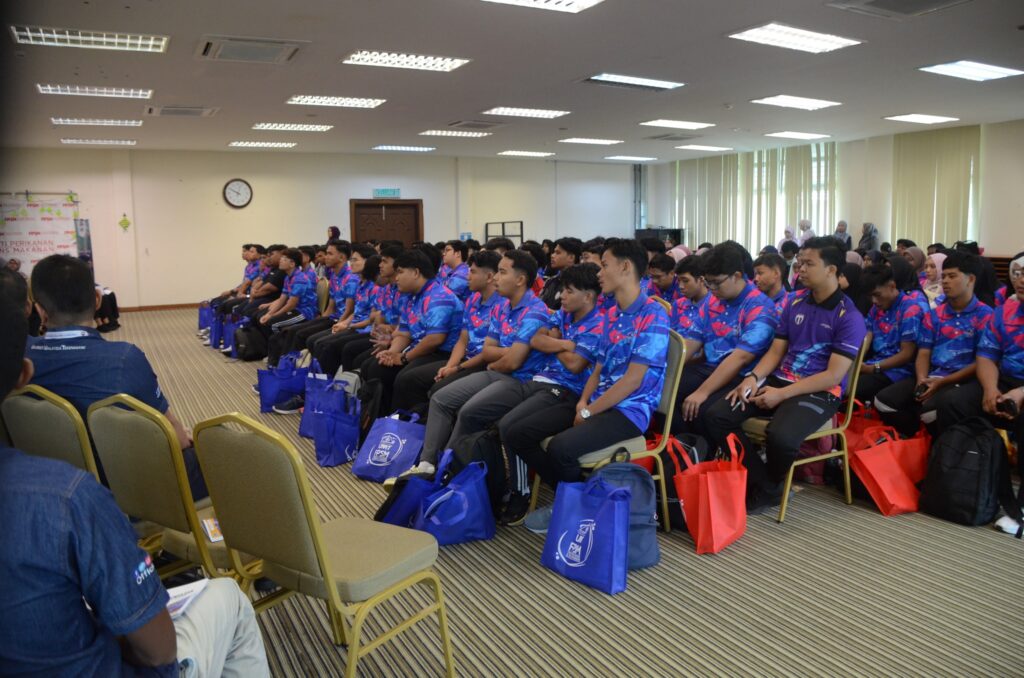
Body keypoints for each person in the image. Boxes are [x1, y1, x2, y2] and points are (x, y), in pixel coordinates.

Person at [0, 294, 271, 677]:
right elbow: (158, 650)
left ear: (41, 310)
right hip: (126, 500)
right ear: (22, 374)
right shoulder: (67, 498)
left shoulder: (59, 488)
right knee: (229, 595)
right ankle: (262, 556)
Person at [703, 237, 866, 514]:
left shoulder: (849, 316)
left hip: (819, 391)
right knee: (715, 415)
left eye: (809, 263)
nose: (800, 269)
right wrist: (753, 377)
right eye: (800, 262)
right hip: (780, 380)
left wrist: (781, 394)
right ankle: (767, 484)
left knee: (781, 437)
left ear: (831, 269)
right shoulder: (794, 301)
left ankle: (767, 488)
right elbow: (777, 351)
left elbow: (832, 375)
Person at [27, 255, 207, 499]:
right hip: (126, 487)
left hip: (51, 480)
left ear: (39, 310)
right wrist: (181, 435)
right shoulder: (124, 358)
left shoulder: (21, 358)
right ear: (97, 299)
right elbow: (175, 437)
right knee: (215, 453)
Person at [524, 239, 670, 532]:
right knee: (526, 431)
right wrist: (583, 401)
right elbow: (599, 368)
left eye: (604, 265)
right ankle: (581, 500)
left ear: (625, 267)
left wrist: (589, 411)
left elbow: (633, 380)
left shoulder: (653, 315)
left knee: (562, 448)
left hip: (630, 411)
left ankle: (573, 510)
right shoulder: (613, 314)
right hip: (599, 402)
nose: (599, 273)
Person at [402, 250, 551, 478]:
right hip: (496, 372)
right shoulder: (502, 306)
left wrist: (499, 360)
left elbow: (513, 363)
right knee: (440, 399)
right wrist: (508, 354)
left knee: (468, 411)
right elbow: (489, 350)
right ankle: (427, 463)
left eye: (502, 272)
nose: (497, 278)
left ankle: (446, 468)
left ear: (520, 279)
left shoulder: (535, 311)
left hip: (521, 381)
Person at [497, 263, 605, 525]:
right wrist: (567, 343)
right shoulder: (565, 314)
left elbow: (575, 365)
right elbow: (536, 340)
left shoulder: (599, 324)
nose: (561, 296)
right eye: (563, 290)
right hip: (541, 381)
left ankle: (539, 491)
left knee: (511, 429)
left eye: (569, 291)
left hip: (570, 393)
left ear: (588, 296)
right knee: (494, 418)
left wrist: (553, 342)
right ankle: (560, 487)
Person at [934, 250, 1024, 536]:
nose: (1021, 280)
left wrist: (1020, 394)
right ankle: (959, 480)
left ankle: (1020, 507)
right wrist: (990, 388)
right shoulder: (1005, 312)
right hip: (1003, 379)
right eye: (1019, 273)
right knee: (953, 403)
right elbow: (987, 355)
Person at [873, 251, 993, 437]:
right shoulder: (935, 314)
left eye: (952, 276)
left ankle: (942, 444)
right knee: (883, 402)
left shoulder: (985, 315)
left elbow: (982, 361)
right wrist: (922, 379)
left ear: (970, 279)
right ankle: (916, 437)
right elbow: (924, 352)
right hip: (932, 376)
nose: (945, 281)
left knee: (930, 413)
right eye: (943, 276)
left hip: (962, 380)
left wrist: (943, 382)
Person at [677, 244, 778, 436]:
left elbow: (741, 358)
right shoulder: (712, 301)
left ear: (737, 276)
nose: (712, 289)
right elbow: (691, 341)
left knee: (703, 409)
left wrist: (702, 392)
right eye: (708, 283)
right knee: (664, 390)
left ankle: (709, 450)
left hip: (741, 374)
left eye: (717, 282)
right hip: (710, 367)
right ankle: (686, 446)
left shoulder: (760, 306)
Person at [389, 251, 502, 413]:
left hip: (482, 364)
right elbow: (463, 340)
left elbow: (487, 352)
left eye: (473, 272)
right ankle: (400, 422)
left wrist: (456, 368)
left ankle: (415, 423)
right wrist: (449, 366)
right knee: (403, 376)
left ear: (489, 277)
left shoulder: (501, 306)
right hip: (463, 358)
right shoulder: (473, 299)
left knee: (425, 385)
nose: (467, 276)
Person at [359, 249, 463, 413]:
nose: (396, 277)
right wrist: (392, 353)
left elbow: (435, 339)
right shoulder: (411, 296)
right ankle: (378, 418)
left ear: (415, 273)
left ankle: (403, 423)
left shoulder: (439, 296)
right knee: (374, 366)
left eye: (400, 272)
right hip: (422, 348)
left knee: (406, 379)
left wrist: (404, 357)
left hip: (443, 353)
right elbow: (404, 332)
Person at [264, 240, 360, 368]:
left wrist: (337, 324)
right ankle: (283, 367)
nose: (325, 257)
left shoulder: (351, 279)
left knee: (302, 335)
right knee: (293, 330)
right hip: (333, 317)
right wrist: (321, 319)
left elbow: (349, 310)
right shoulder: (335, 276)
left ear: (342, 257)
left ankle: (290, 369)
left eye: (330, 254)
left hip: (342, 320)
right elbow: (331, 306)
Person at [856, 265, 929, 403]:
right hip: (874, 364)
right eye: (870, 296)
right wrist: (856, 361)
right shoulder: (876, 309)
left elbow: (906, 354)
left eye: (877, 295)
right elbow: (866, 339)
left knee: (854, 389)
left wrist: (873, 368)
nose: (874, 301)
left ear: (892, 286)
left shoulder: (910, 309)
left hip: (898, 371)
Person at [253, 248, 318, 341]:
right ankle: (272, 347)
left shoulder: (300, 279)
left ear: (292, 264)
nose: (280, 260)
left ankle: (281, 347)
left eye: (284, 259)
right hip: (295, 310)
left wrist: (273, 315)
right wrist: (269, 314)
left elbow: (291, 304)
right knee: (264, 318)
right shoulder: (288, 277)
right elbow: (282, 299)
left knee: (273, 324)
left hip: (305, 312)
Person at [539, 237, 582, 310]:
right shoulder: (550, 281)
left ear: (571, 258)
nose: (552, 255)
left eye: (558, 253)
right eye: (553, 252)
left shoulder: (579, 285)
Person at [670, 255, 708, 335]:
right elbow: (672, 335)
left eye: (685, 281)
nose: (680, 286)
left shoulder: (714, 307)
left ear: (701, 279)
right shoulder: (678, 305)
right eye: (679, 281)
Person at [752, 253, 789, 317]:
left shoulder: (791, 303)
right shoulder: (752, 300)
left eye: (760, 273)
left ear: (776, 273)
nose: (756, 279)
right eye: (755, 274)